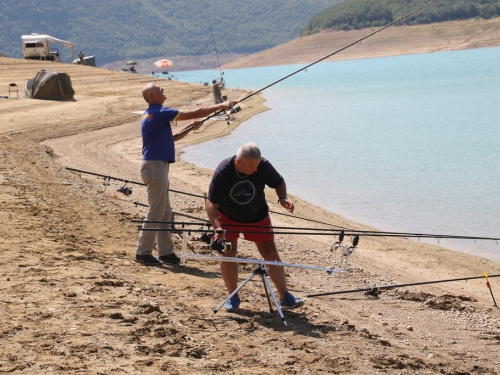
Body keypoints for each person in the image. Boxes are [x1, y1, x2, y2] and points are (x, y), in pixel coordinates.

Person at [135, 83, 238, 266]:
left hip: (157, 166)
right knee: (156, 212)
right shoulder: (159, 112)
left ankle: (166, 253)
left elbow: (171, 138)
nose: (163, 90)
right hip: (155, 167)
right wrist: (222, 105)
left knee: (165, 213)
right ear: (152, 95)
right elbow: (198, 112)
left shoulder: (151, 114)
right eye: (159, 89)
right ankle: (143, 253)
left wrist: (190, 128)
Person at [205, 142, 304, 311]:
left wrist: (282, 198)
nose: (256, 170)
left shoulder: (263, 165)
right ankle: (233, 297)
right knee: (229, 253)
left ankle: (285, 297)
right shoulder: (224, 170)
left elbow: (278, 182)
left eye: (257, 166)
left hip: (257, 215)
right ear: (238, 163)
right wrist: (218, 228)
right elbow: (211, 203)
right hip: (228, 216)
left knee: (270, 251)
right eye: (251, 167)